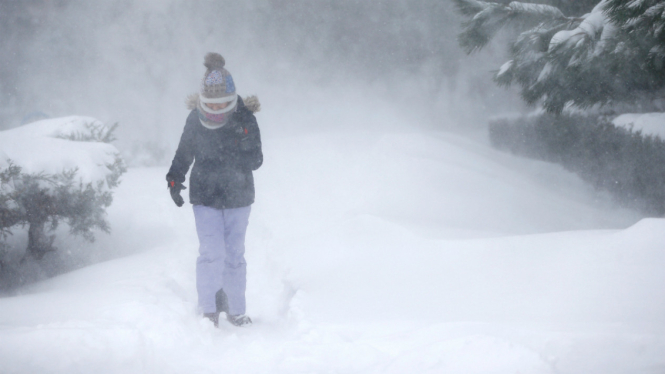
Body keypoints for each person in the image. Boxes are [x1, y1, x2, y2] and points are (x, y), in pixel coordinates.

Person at [166, 52, 262, 327]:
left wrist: (240, 144)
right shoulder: (195, 119)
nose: (218, 109)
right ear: (203, 100)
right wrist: (174, 178)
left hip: (239, 196)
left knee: (234, 253)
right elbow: (184, 153)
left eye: (223, 104)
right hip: (205, 195)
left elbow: (256, 160)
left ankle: (235, 309)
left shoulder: (245, 118)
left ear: (232, 100)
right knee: (211, 252)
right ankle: (208, 310)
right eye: (213, 104)